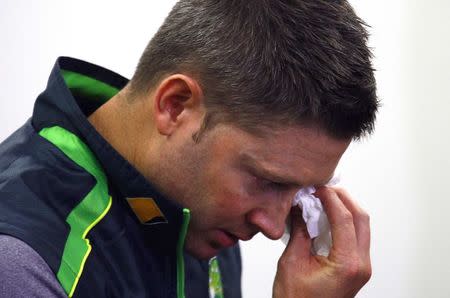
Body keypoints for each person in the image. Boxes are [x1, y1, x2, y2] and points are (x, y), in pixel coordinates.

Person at [0, 0, 378, 297]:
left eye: (301, 191)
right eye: (268, 181)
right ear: (175, 104)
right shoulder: (20, 265)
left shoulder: (194, 206)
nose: (273, 225)